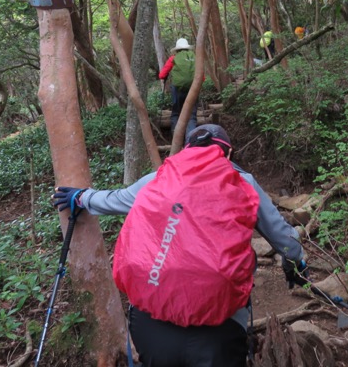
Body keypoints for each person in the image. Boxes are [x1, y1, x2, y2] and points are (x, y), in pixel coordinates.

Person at [52, 124, 309, 367]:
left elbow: (115, 200)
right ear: (228, 152)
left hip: (150, 324)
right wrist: (295, 265)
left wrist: (81, 197)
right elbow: (285, 240)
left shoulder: (159, 178)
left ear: (186, 149)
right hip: (220, 328)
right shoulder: (244, 182)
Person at [159, 37, 198, 134]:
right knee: (191, 115)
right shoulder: (195, 57)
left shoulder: (173, 58)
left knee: (176, 113)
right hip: (193, 88)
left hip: (177, 90)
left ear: (177, 49)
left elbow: (161, 75)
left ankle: (176, 138)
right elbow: (202, 77)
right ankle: (191, 140)